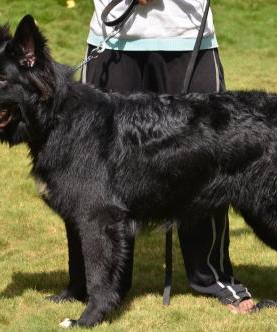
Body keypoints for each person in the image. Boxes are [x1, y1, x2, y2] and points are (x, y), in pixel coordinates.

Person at [81, 0, 254, 314]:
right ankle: (100, 284)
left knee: (208, 160)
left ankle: (212, 276)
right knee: (99, 170)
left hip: (187, 35)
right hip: (112, 36)